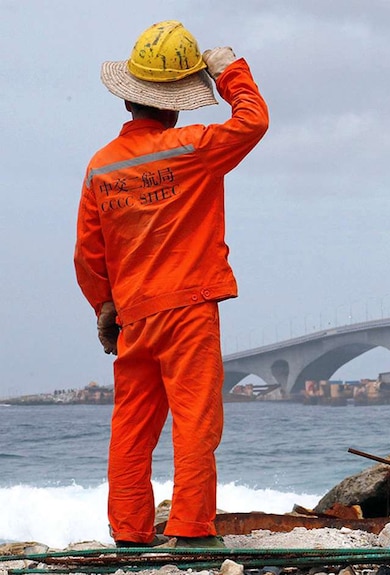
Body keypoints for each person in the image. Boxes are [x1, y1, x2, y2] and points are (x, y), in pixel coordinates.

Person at [74, 20, 268, 548]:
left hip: (133, 318)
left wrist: (104, 309)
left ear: (130, 99)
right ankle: (190, 529)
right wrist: (229, 70)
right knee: (194, 424)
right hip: (187, 310)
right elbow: (253, 121)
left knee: (131, 430)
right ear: (178, 101)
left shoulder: (100, 168)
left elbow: (89, 257)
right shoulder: (193, 148)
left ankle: (130, 532)